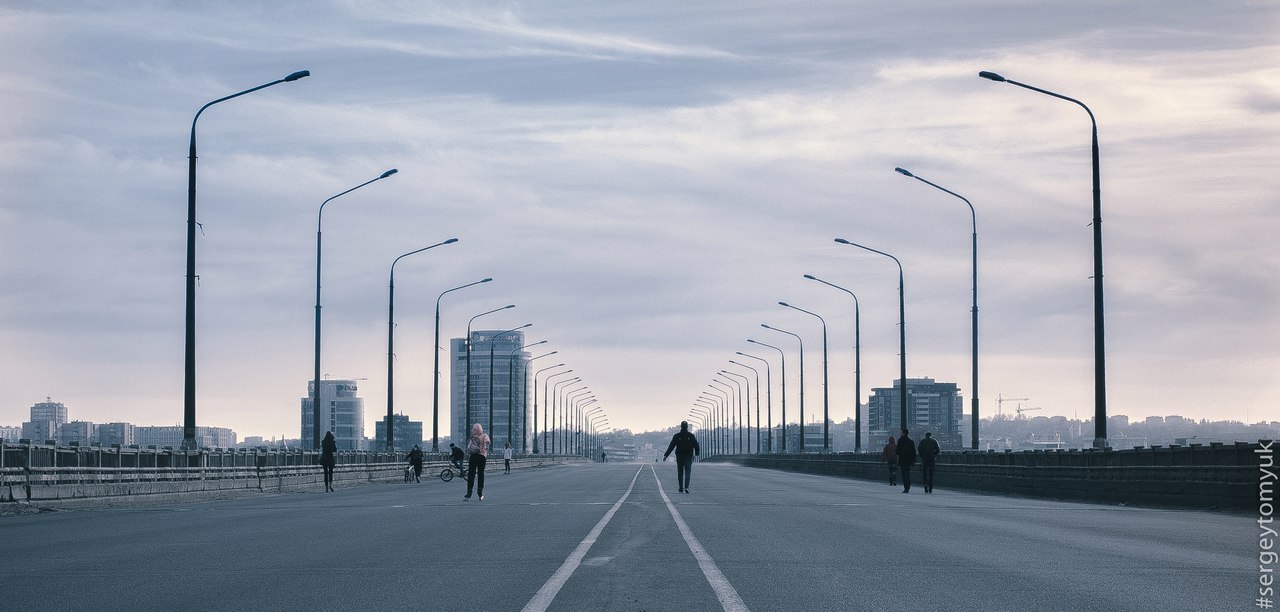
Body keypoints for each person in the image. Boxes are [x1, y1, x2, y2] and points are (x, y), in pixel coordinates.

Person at [662, 421, 701, 494]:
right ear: (687, 427)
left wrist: (666, 455)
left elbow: (671, 446)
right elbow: (696, 445)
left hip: (679, 457)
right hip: (688, 457)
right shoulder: (691, 436)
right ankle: (686, 487)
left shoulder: (677, 436)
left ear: (681, 427)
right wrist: (697, 453)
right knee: (687, 472)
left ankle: (680, 487)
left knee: (680, 472)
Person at [465, 423, 491, 501]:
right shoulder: (484, 436)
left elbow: (468, 447)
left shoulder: (472, 437)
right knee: (480, 474)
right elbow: (488, 442)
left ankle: (469, 492)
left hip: (473, 456)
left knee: (471, 474)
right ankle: (480, 492)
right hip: (482, 456)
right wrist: (485, 447)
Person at [895, 427, 917, 493]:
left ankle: (906, 488)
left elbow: (897, 451)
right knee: (908, 473)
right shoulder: (911, 442)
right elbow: (914, 452)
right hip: (909, 460)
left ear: (904, 433)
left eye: (901, 432)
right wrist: (913, 460)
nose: (900, 434)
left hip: (902, 460)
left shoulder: (900, 441)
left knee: (904, 474)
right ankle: (908, 486)